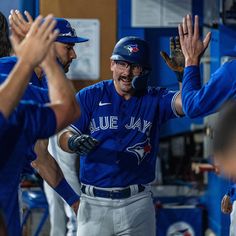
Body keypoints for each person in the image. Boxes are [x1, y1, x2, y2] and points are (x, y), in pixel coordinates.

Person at [43, 35, 185, 236]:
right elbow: (64, 136)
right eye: (122, 64)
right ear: (112, 64)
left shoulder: (155, 98)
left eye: (134, 66)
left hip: (137, 203)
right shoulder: (90, 95)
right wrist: (74, 142)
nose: (126, 73)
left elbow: (187, 105)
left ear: (144, 71)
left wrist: (184, 75)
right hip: (94, 203)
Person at [0, 15, 81, 236]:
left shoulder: (38, 80)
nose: (74, 54)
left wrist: (74, 201)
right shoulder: (8, 73)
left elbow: (39, 155)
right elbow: (69, 108)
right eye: (68, 47)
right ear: (47, 44)